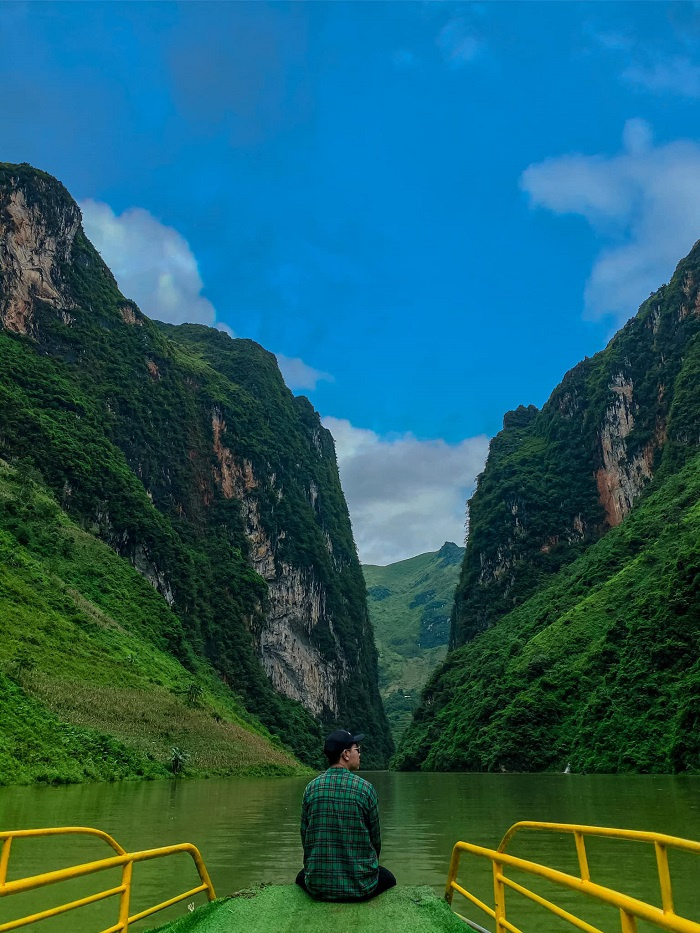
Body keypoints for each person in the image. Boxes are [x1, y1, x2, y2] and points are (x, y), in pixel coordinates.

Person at [295, 729, 397, 902]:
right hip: (360, 887)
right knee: (389, 878)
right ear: (346, 754)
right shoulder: (365, 789)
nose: (360, 754)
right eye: (357, 749)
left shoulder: (311, 788)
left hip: (317, 887)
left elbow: (305, 836)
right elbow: (375, 841)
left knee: (300, 876)